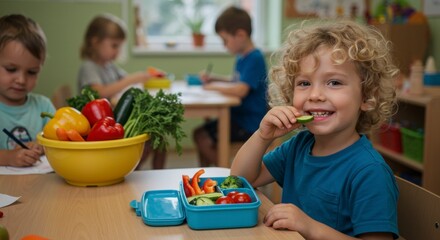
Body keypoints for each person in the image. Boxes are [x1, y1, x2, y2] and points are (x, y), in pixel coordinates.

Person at [231, 20, 400, 239]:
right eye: (304, 83)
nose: (315, 95)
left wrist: (310, 227)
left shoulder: (369, 171)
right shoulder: (298, 147)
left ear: (367, 97)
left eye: (334, 83)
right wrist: (262, 136)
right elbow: (240, 179)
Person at [77, 14, 165, 169]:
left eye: (119, 46)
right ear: (95, 42)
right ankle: (130, 167)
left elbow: (123, 79)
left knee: (159, 136)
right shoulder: (89, 67)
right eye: (114, 46)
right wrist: (133, 79)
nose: (117, 52)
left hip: (112, 120)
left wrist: (143, 76)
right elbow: (99, 92)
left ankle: (148, 171)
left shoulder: (108, 65)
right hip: (97, 127)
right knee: (148, 139)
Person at [193, 6, 268, 167]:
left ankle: (229, 174)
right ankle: (209, 173)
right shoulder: (242, 57)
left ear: (240, 35)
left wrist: (212, 87)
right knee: (199, 134)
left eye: (225, 40)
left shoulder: (255, 58)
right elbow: (235, 81)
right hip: (238, 118)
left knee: (203, 138)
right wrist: (214, 79)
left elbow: (241, 89)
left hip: (249, 123)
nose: (224, 45)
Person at [0, 14, 56, 167]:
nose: (21, 80)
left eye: (31, 72)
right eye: (11, 69)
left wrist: (40, 146)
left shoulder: (43, 107)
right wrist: (8, 158)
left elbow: (58, 141)